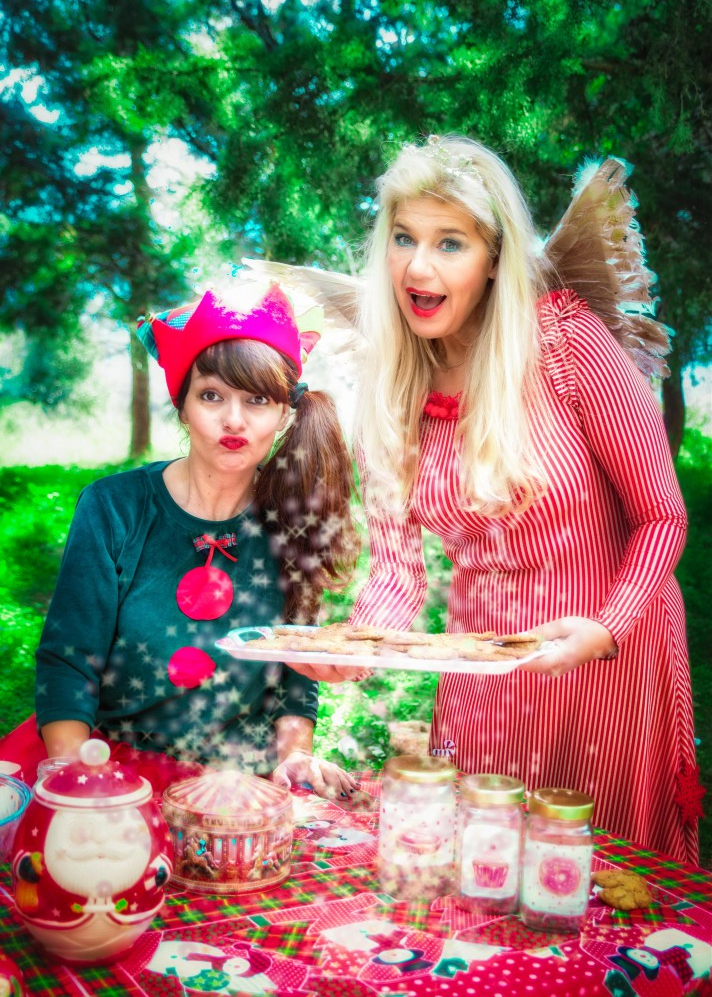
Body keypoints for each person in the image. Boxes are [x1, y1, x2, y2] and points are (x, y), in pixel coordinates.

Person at [302, 135, 699, 862]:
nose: (417, 268)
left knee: (599, 871)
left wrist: (606, 627)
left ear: (493, 258)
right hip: (482, 664)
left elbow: (661, 515)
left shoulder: (566, 342)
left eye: (449, 243)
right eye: (403, 238)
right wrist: (354, 648)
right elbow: (397, 574)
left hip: (609, 656)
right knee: (484, 861)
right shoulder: (391, 388)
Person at [29, 279, 361, 798]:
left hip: (237, 787)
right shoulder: (114, 508)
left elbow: (296, 675)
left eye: (257, 400)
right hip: (112, 771)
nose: (234, 420)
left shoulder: (293, 521)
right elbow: (69, 662)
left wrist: (296, 754)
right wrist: (79, 784)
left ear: (283, 412)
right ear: (182, 404)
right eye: (211, 396)